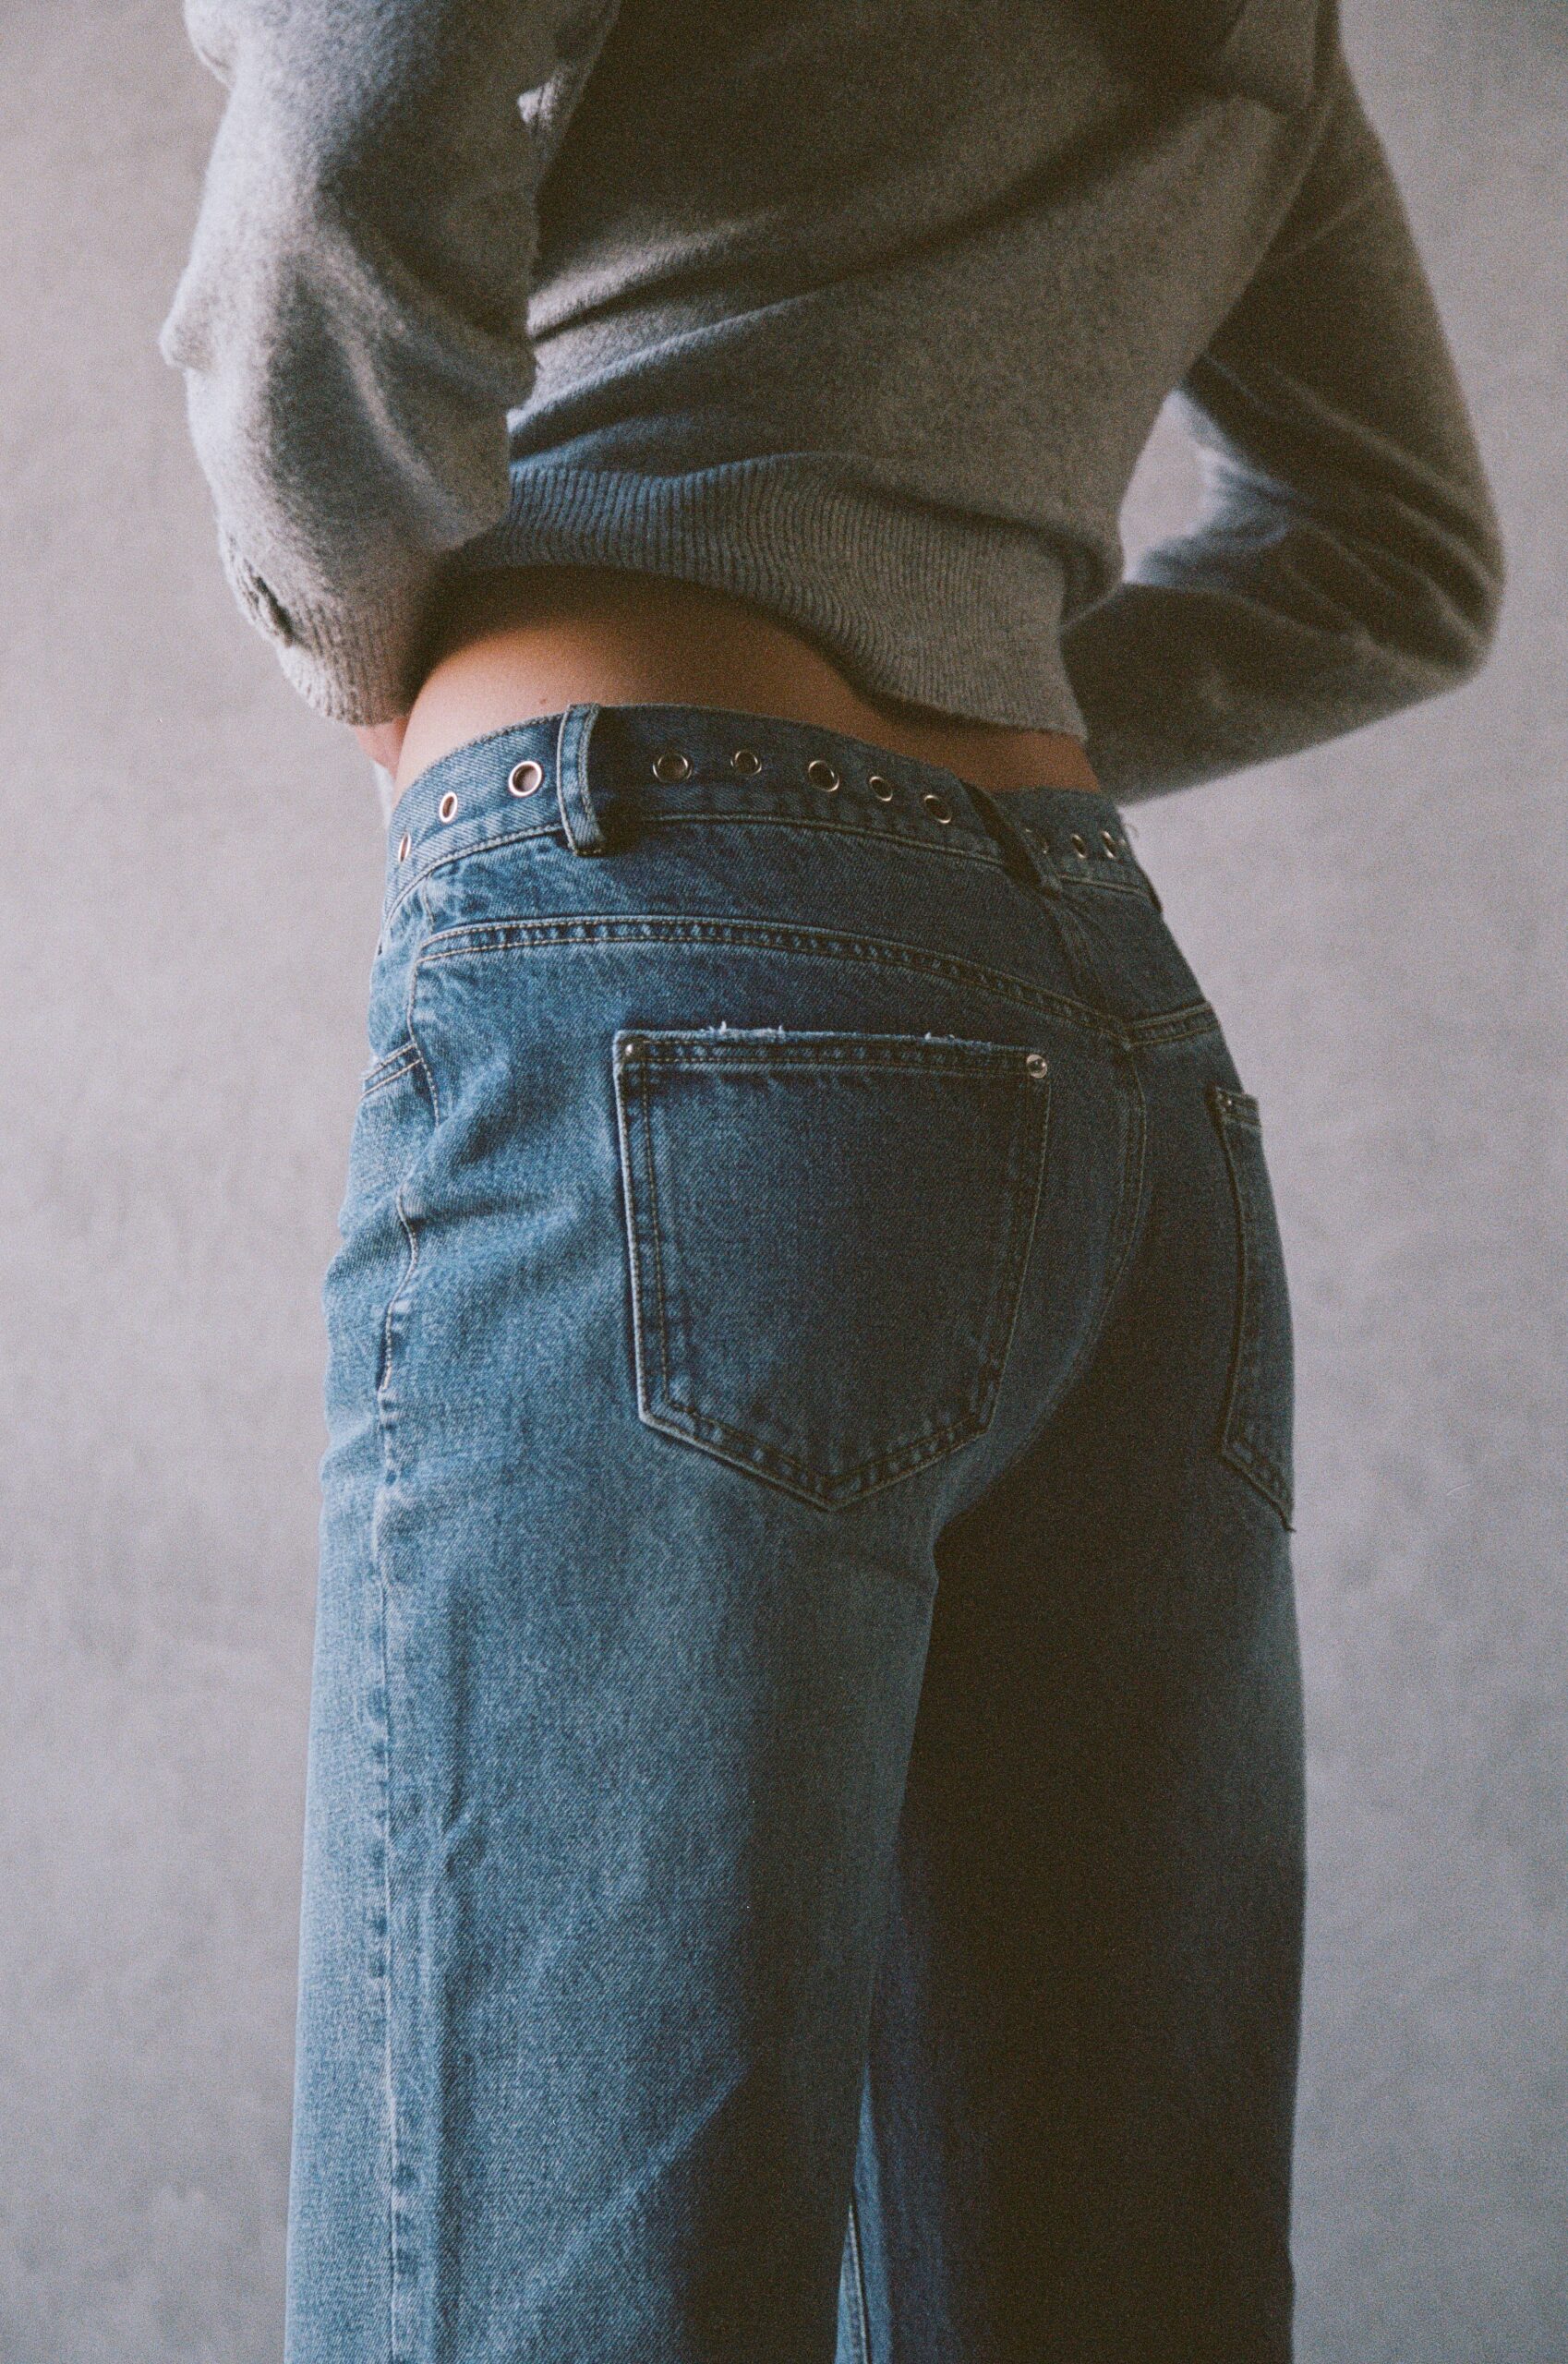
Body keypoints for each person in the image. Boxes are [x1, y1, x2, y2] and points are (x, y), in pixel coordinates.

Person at [157, 1, 1503, 2357]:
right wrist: (946, 721)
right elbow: (1401, 556)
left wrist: (370, 640)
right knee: (1107, 2295)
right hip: (1105, 1039)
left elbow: (369, 77)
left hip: (673, 975)